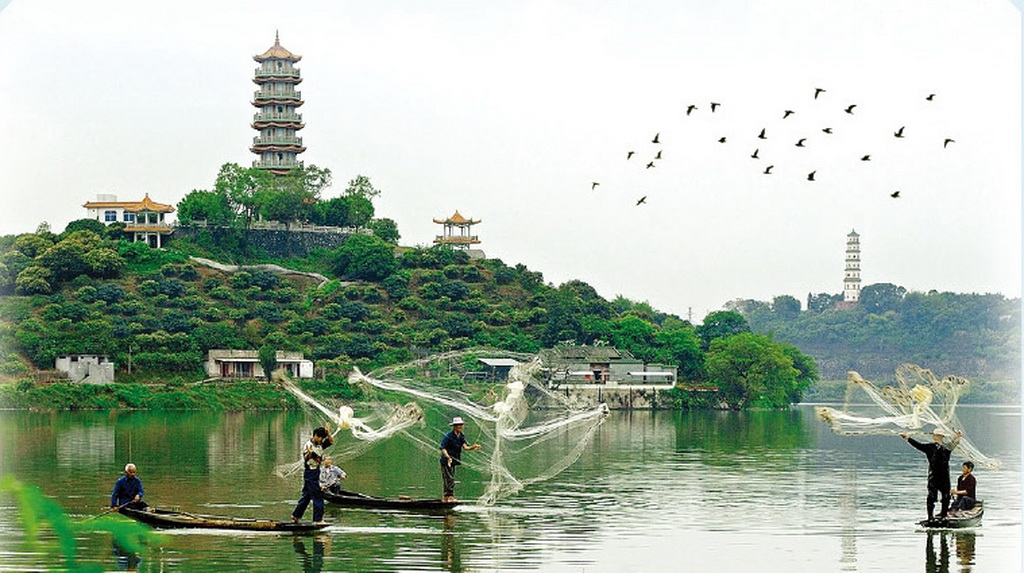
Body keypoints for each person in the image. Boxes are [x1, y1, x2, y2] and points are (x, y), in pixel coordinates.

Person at [899, 427, 962, 521]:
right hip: (933, 475)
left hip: (944, 476)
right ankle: (930, 517)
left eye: (936, 435)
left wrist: (958, 436)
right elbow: (918, 445)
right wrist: (908, 438)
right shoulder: (929, 447)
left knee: (946, 496)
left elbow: (954, 443)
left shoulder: (947, 447)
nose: (934, 437)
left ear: (940, 436)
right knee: (931, 497)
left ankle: (944, 516)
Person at [291, 424, 334, 525]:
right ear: (315, 435)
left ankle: (296, 515)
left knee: (306, 496)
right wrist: (310, 453)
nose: (320, 439)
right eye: (319, 437)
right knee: (317, 496)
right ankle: (318, 520)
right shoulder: (308, 445)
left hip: (316, 472)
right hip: (310, 472)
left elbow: (331, 441)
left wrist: (328, 434)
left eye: (322, 438)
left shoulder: (319, 444)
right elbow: (305, 458)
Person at [439, 416, 482, 502]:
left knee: (451, 477)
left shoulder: (461, 436)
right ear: (454, 426)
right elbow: (442, 448)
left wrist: (473, 447)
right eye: (458, 425)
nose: (460, 427)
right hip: (446, 460)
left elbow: (465, 447)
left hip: (454, 460)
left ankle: (448, 496)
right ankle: (448, 496)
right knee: (449, 477)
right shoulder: (448, 436)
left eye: (461, 425)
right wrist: (448, 457)